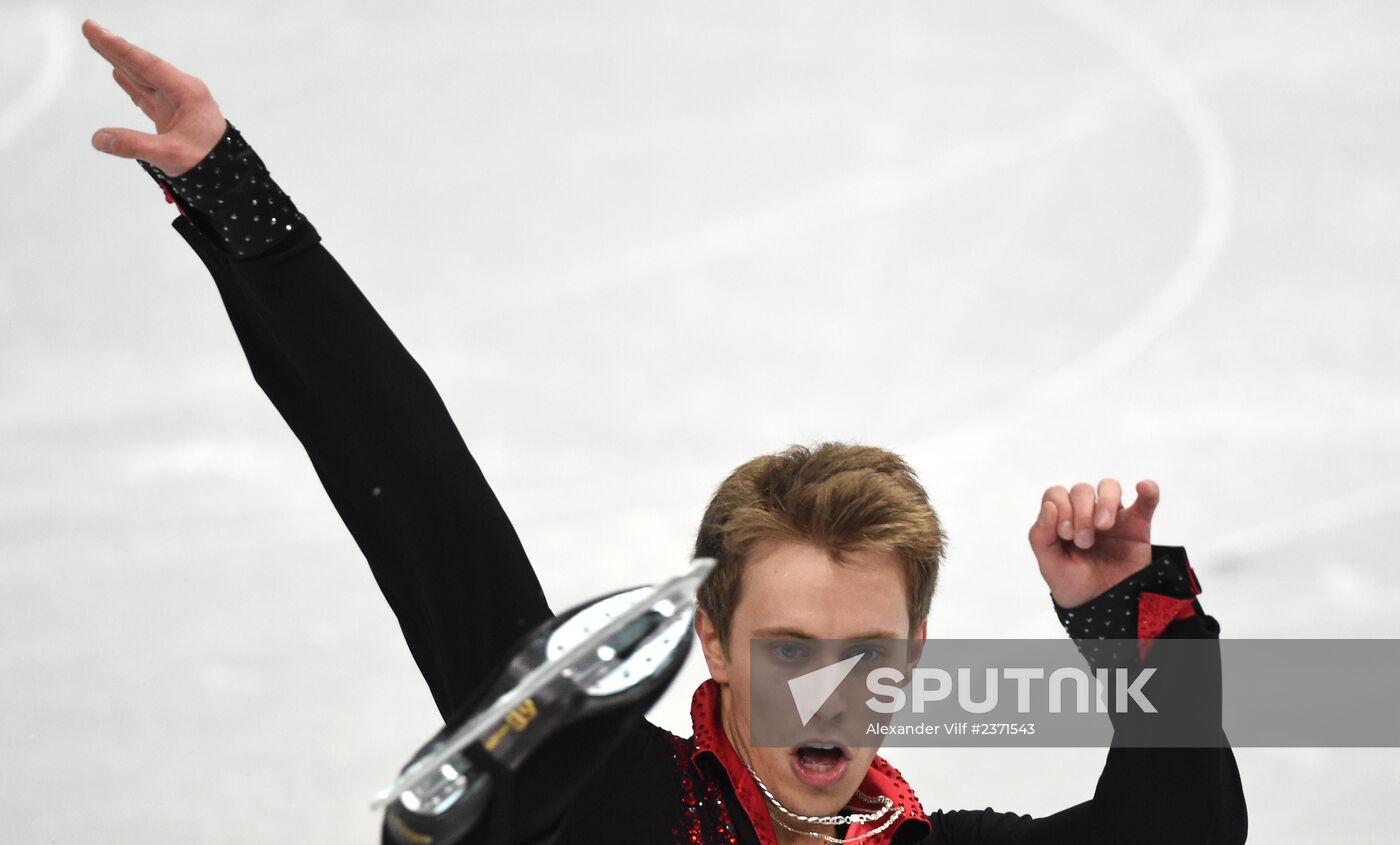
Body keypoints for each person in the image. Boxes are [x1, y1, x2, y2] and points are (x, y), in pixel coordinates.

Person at [83, 19, 1247, 844]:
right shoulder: (593, 798)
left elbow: (1180, 832)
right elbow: (416, 492)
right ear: (713, 640)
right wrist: (246, 213)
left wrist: (1127, 621)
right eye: (790, 648)